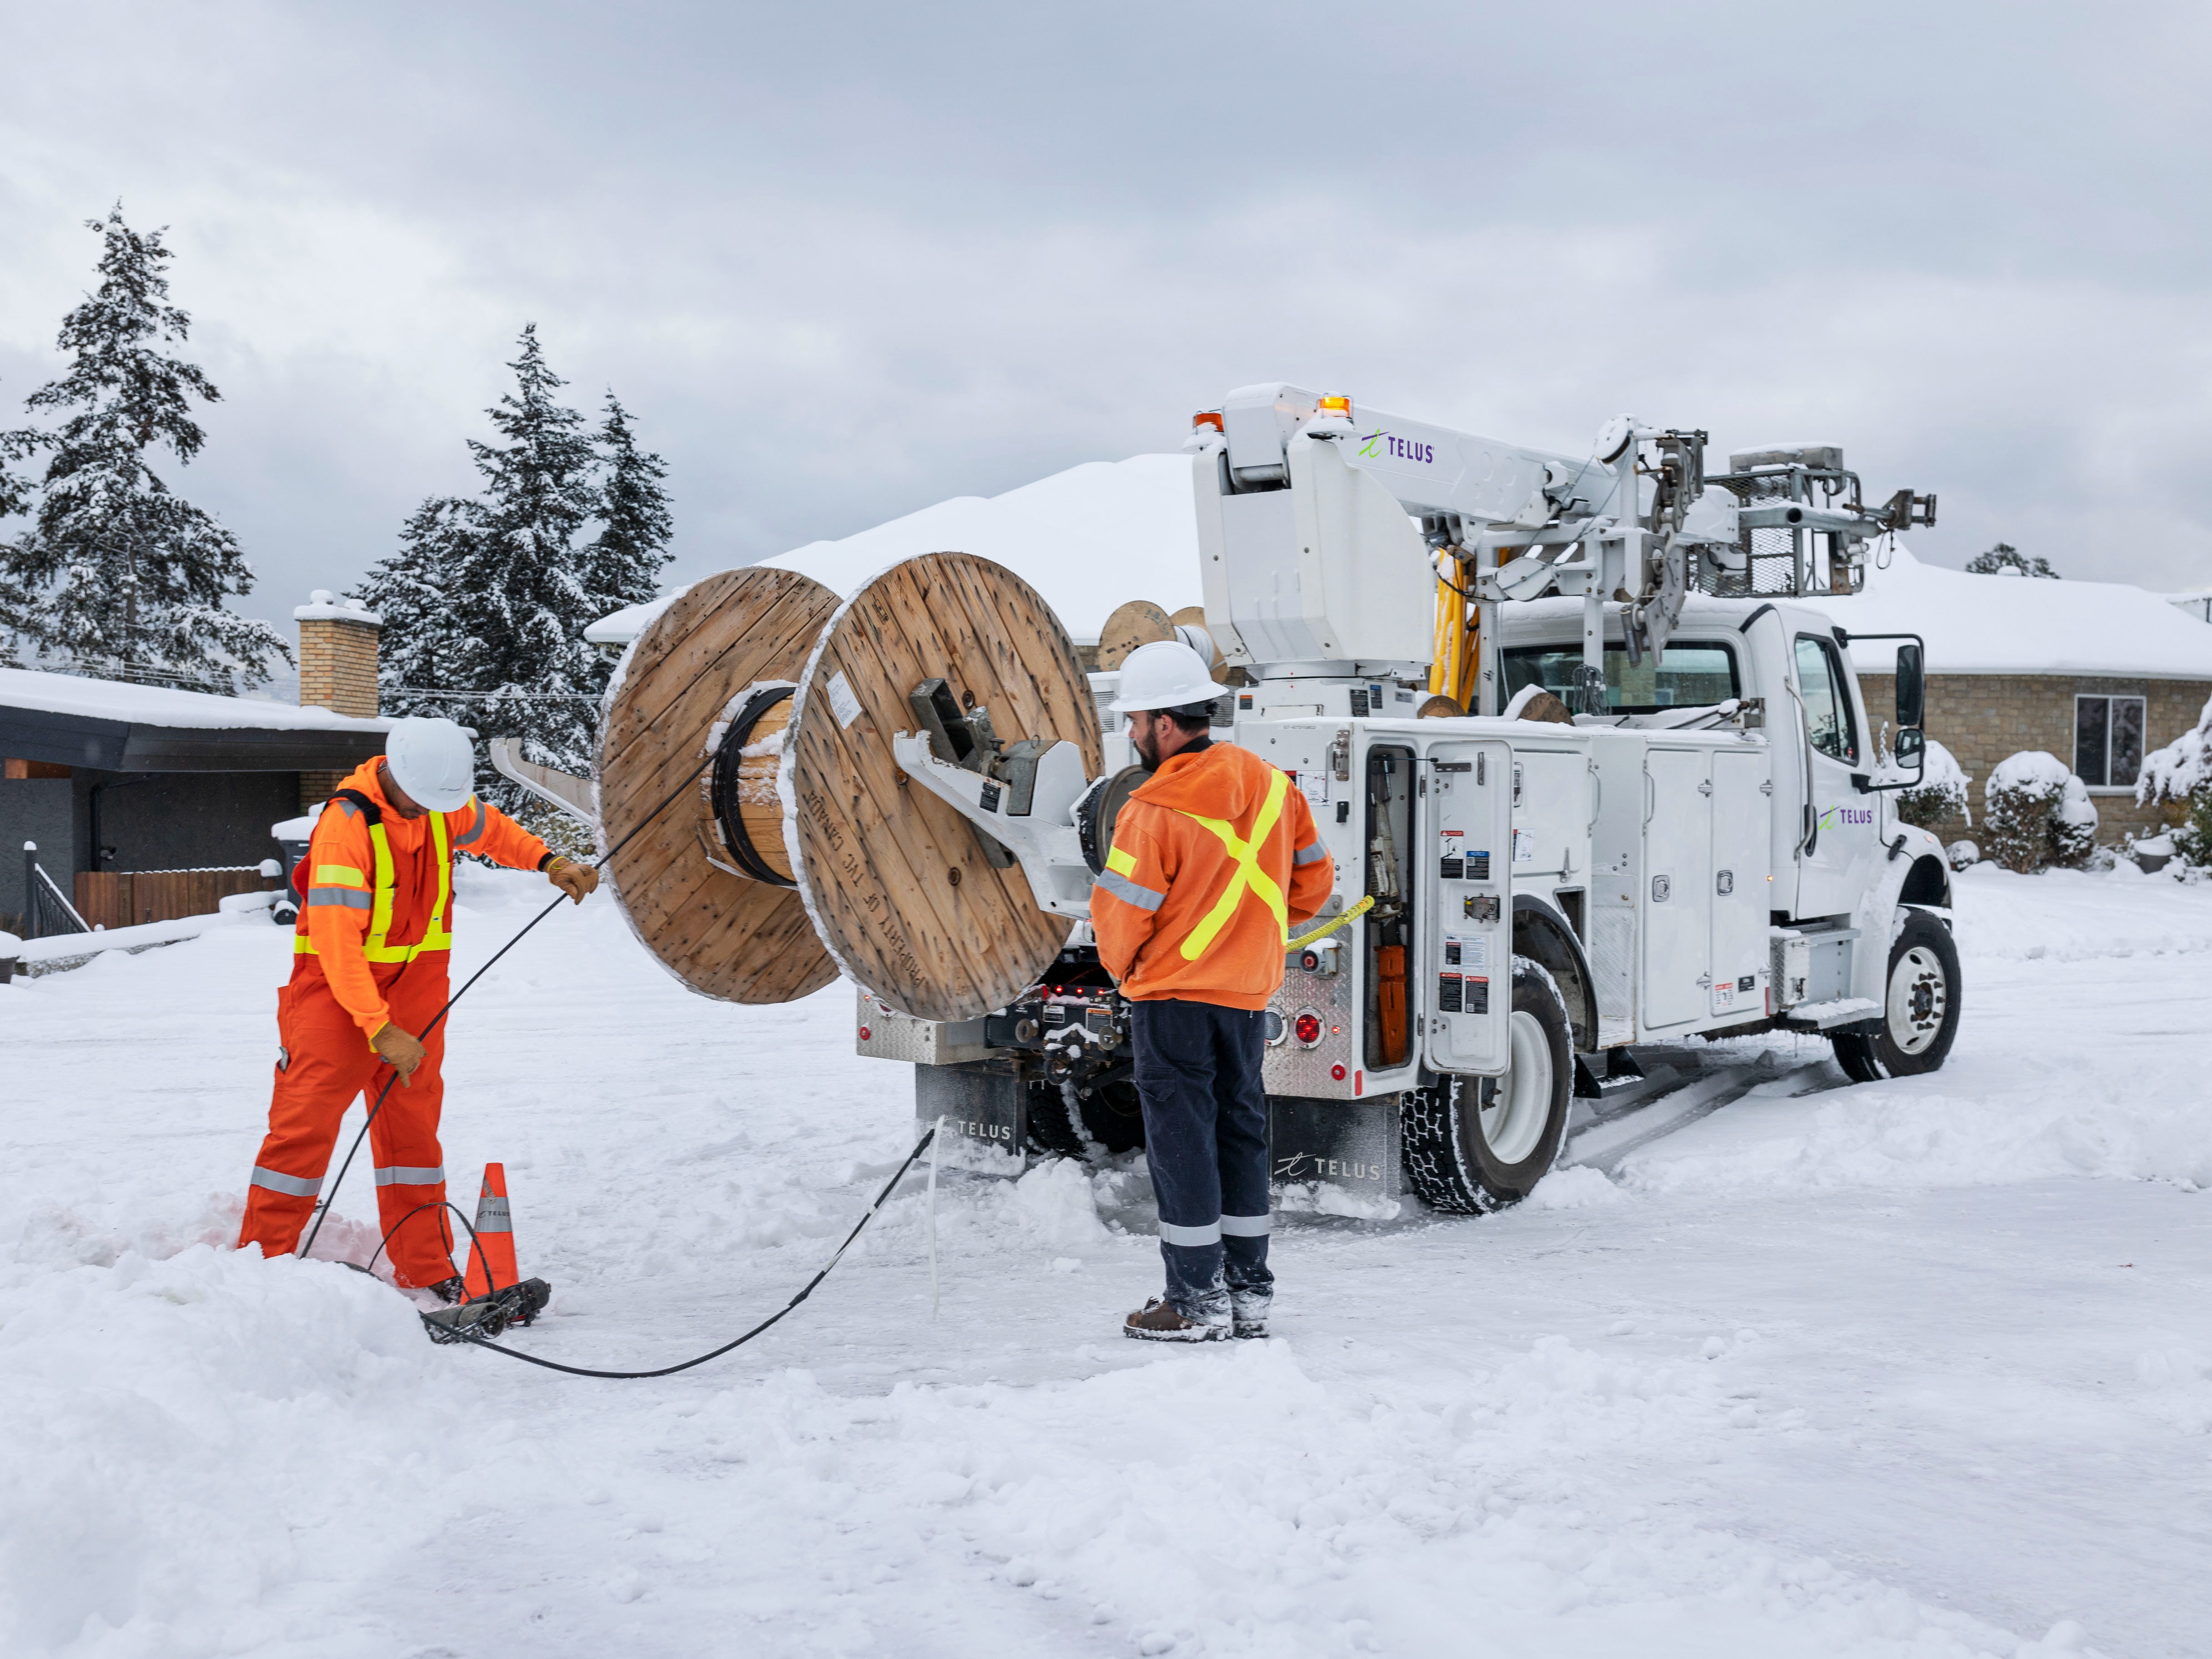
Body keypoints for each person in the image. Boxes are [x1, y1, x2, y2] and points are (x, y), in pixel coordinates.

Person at [236, 716, 598, 1298]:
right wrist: (378, 1029)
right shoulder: (344, 830)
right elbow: (336, 945)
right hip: (335, 995)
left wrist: (549, 862)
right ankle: (260, 1269)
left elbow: (492, 830)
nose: (430, 811)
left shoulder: (438, 804)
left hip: (417, 994)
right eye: (421, 800)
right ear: (393, 773)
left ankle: (427, 1269)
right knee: (303, 1134)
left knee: (414, 1141)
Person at [1090, 640, 1334, 1341]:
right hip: (1247, 998)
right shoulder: (1272, 786)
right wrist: (1251, 938)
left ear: (1166, 724)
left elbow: (1119, 920)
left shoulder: (1152, 807)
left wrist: (1131, 972)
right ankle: (1248, 1294)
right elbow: (1315, 883)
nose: (1132, 733)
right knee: (1239, 1135)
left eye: (1135, 719)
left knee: (1184, 1144)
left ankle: (1195, 1301)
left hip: (1172, 1000)